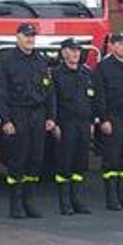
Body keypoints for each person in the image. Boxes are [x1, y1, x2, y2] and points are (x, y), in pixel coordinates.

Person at [0, 23, 55, 218]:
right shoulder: (7, 61)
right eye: (26, 35)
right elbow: (1, 92)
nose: (30, 39)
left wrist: (51, 117)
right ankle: (16, 203)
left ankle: (30, 200)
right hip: (18, 114)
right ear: (17, 37)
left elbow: (49, 91)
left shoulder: (41, 61)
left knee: (36, 158)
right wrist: (6, 120)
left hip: (38, 114)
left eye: (32, 36)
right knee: (18, 159)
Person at [93, 32, 123, 211]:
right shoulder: (103, 68)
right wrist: (103, 119)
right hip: (113, 118)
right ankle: (111, 197)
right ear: (112, 46)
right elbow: (100, 96)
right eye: (120, 44)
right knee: (112, 159)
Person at [49, 38, 96, 216]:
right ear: (63, 52)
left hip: (84, 123)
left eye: (77, 50)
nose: (76, 53)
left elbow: (92, 99)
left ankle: (77, 199)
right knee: (64, 163)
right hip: (66, 124)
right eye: (71, 50)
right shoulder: (56, 74)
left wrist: (93, 121)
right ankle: (65, 202)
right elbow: (52, 100)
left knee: (80, 163)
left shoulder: (86, 73)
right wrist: (54, 123)